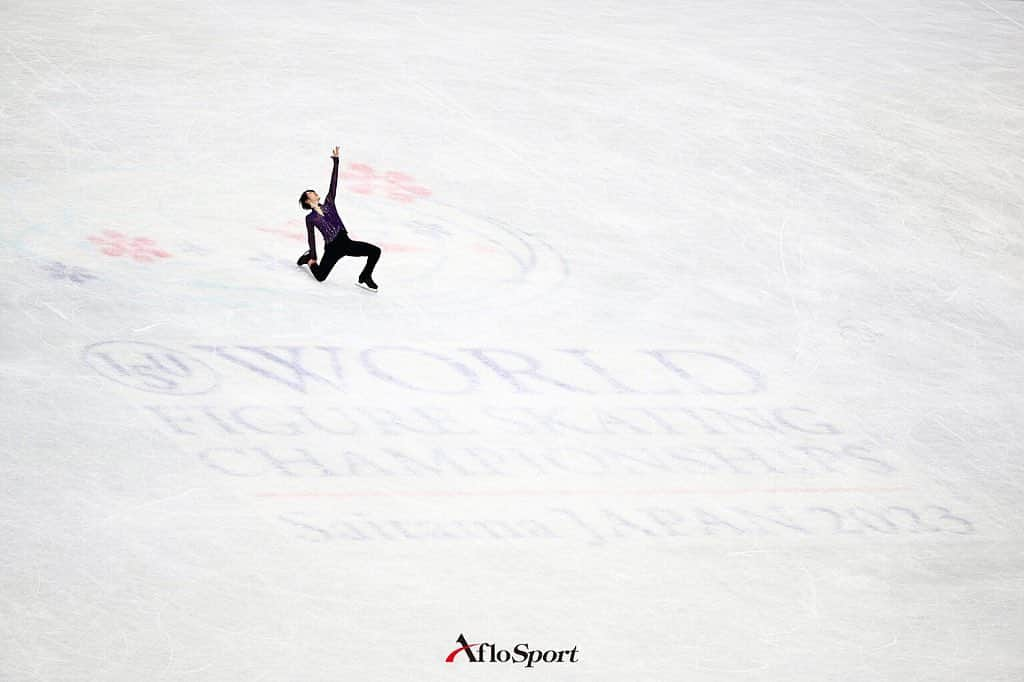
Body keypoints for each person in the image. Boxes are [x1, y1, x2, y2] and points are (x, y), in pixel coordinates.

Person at [296, 146, 382, 291]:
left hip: (346, 243)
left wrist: (336, 162)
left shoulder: (329, 203)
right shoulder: (310, 218)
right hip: (332, 248)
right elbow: (311, 237)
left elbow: (333, 183)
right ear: (307, 201)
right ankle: (308, 260)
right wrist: (314, 256)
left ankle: (365, 276)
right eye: (311, 193)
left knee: (375, 251)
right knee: (321, 277)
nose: (315, 193)